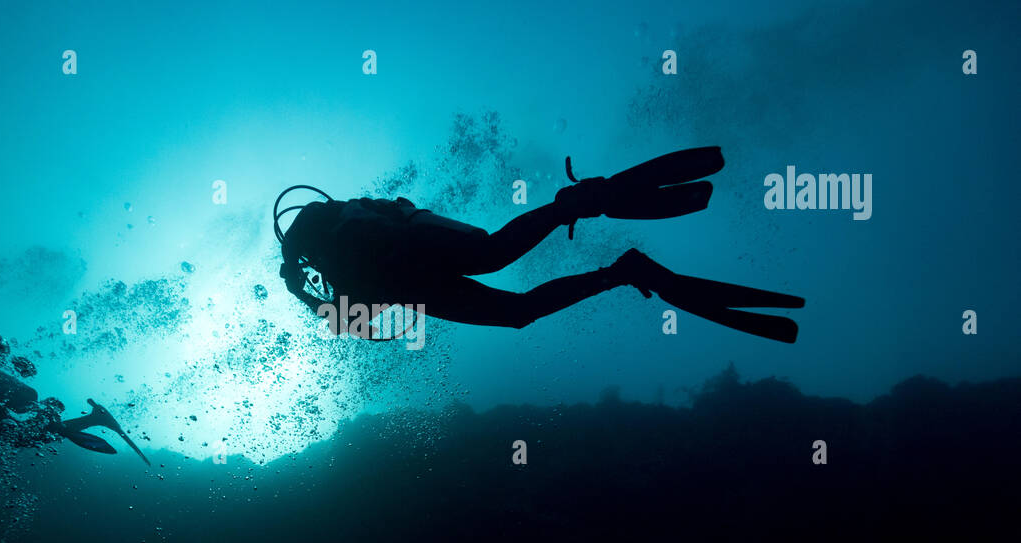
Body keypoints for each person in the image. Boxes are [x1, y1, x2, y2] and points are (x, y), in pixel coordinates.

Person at [276, 147, 804, 343]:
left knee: (497, 264)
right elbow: (356, 322)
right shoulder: (323, 253)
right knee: (513, 302)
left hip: (414, 251)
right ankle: (612, 254)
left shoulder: (313, 259)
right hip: (415, 268)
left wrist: (298, 286)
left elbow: (351, 323)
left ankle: (592, 226)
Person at [0, 351, 150, 465]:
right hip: (9, 397)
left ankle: (89, 420)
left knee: (14, 437)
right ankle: (90, 418)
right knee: (24, 430)